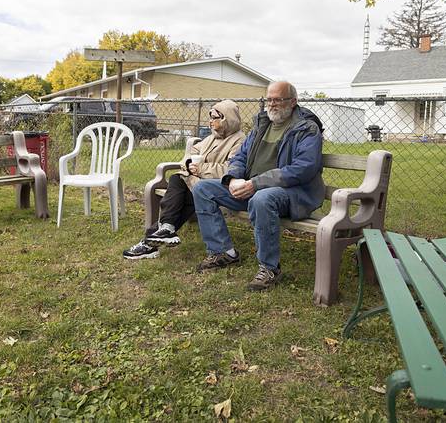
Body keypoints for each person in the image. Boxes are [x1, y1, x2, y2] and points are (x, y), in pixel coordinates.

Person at [191, 81, 325, 291]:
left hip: (292, 194)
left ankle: (269, 268)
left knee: (261, 199)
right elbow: (240, 156)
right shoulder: (261, 126)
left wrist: (255, 184)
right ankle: (223, 252)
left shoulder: (306, 128)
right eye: (269, 99)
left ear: (293, 101)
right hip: (251, 189)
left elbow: (303, 168)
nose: (272, 104)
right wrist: (233, 178)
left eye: (278, 99)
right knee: (203, 189)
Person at [123, 99, 246, 260]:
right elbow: (191, 154)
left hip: (218, 187)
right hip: (197, 183)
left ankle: (151, 241)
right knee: (178, 180)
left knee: (184, 191)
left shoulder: (239, 140)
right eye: (210, 117)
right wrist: (189, 165)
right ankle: (164, 229)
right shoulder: (211, 138)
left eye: (215, 117)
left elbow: (231, 170)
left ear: (227, 119)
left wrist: (201, 169)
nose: (210, 121)